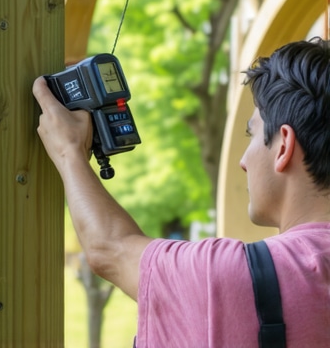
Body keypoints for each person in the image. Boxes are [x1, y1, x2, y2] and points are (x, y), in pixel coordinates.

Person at [32, 37, 330, 347]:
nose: (242, 161)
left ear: (283, 146)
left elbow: (109, 249)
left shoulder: (232, 275)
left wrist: (68, 152)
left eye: (251, 134)